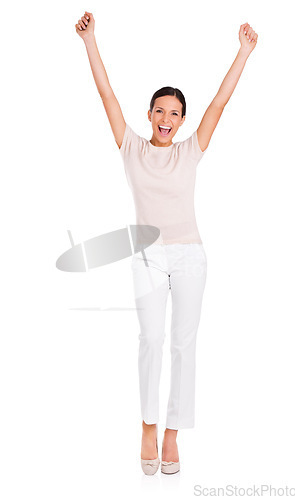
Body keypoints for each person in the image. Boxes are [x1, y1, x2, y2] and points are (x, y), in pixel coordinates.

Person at [75, 11, 258, 475]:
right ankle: (148, 426)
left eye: (175, 114)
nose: (166, 119)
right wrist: (90, 40)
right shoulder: (131, 147)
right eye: (160, 110)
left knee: (183, 343)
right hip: (148, 256)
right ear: (149, 114)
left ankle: (174, 433)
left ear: (180, 121)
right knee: (151, 339)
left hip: (190, 256)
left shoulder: (189, 150)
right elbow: (106, 93)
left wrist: (243, 52)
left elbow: (219, 102)